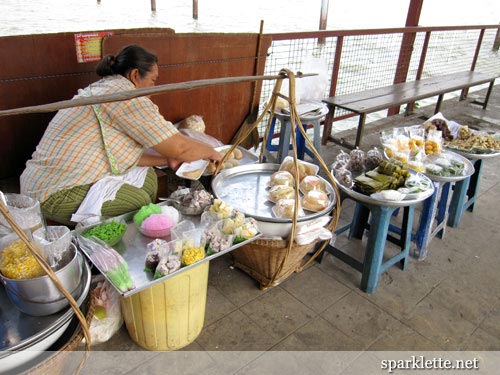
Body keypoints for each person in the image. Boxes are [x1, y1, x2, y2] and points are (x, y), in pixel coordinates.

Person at [20, 44, 221, 226]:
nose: (153, 88)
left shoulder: (107, 88)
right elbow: (181, 148)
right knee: (139, 202)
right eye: (152, 81)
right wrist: (211, 151)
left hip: (72, 174)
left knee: (149, 178)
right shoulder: (124, 97)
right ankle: (110, 239)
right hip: (53, 190)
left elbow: (119, 154)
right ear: (135, 75)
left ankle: (135, 226)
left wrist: (164, 158)